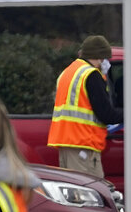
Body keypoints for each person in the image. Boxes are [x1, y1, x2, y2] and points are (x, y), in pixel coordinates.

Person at [47, 34, 122, 179]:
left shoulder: (68, 72)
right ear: (99, 57)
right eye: (105, 58)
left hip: (67, 145)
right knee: (92, 193)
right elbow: (106, 114)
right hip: (83, 145)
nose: (106, 62)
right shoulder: (91, 75)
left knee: (73, 194)